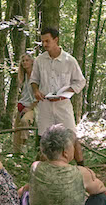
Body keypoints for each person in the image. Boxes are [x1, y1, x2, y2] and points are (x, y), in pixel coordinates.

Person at [20, 125, 106, 205]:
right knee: (101, 198)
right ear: (65, 153)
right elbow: (101, 189)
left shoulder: (35, 167)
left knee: (25, 194)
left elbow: (24, 191)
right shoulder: (81, 173)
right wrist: (90, 174)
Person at [29, 27, 86, 163]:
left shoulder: (69, 61)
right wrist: (36, 91)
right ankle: (42, 170)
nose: (45, 44)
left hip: (63, 105)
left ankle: (82, 168)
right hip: (45, 105)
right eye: (42, 41)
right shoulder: (39, 60)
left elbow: (80, 82)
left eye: (47, 41)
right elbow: (33, 80)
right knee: (44, 138)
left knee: (71, 136)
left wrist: (65, 93)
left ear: (56, 40)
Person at [12, 53, 37, 156]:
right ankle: (16, 153)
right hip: (22, 104)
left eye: (27, 60)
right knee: (16, 127)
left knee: (24, 121)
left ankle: (24, 146)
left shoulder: (36, 76)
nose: (25, 62)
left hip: (33, 106)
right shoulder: (23, 76)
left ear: (32, 61)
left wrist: (30, 107)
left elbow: (39, 94)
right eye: (23, 61)